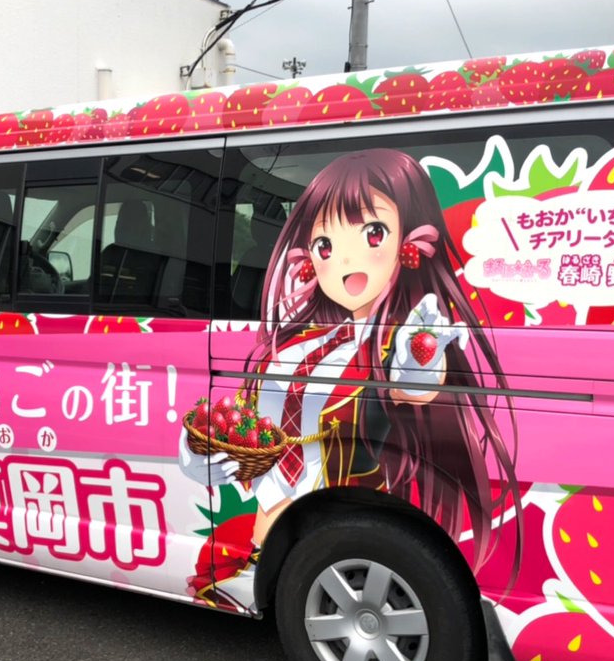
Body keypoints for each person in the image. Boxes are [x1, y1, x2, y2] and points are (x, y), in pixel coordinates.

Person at [181, 148, 520, 604]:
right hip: (260, 550)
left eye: (373, 233)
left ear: (412, 240)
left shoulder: (397, 340)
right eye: (326, 245)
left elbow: (414, 385)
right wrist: (199, 452)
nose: (345, 260)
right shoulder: (292, 343)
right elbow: (242, 424)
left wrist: (419, 357)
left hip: (346, 543)